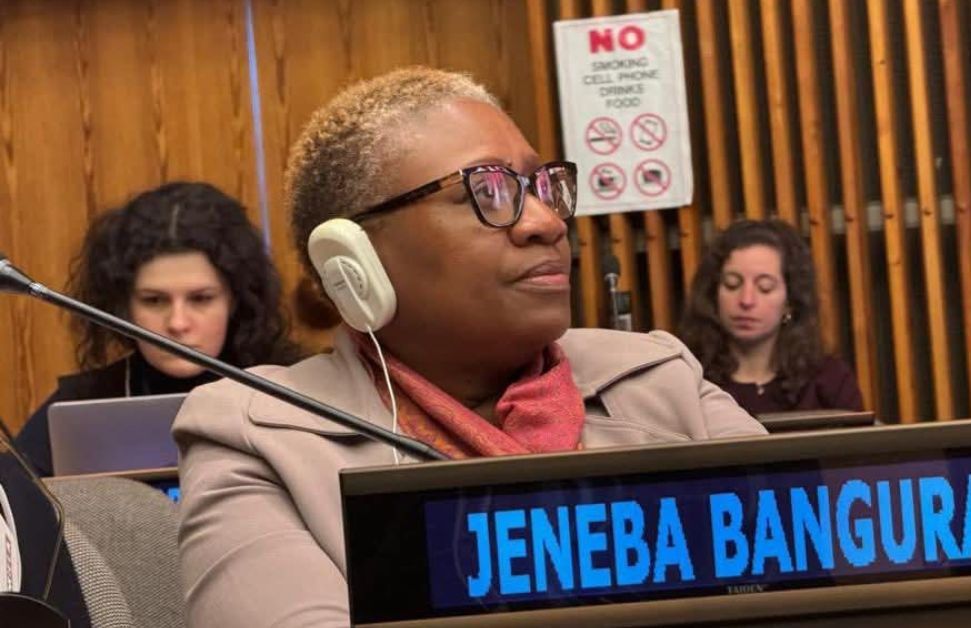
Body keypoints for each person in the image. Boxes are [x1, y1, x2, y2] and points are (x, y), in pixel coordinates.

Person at [172, 66, 766, 627]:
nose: (547, 222)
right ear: (353, 258)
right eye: (487, 191)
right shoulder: (257, 437)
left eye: (541, 187)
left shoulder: (663, 378)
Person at [15, 181, 303, 476]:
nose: (178, 323)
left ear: (236, 300)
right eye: (153, 300)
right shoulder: (81, 405)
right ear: (123, 306)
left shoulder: (295, 393)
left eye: (201, 299)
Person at [678, 220, 863, 415]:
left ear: (790, 300)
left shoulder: (831, 381)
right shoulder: (685, 378)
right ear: (713, 293)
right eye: (732, 284)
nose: (746, 300)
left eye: (764, 287)